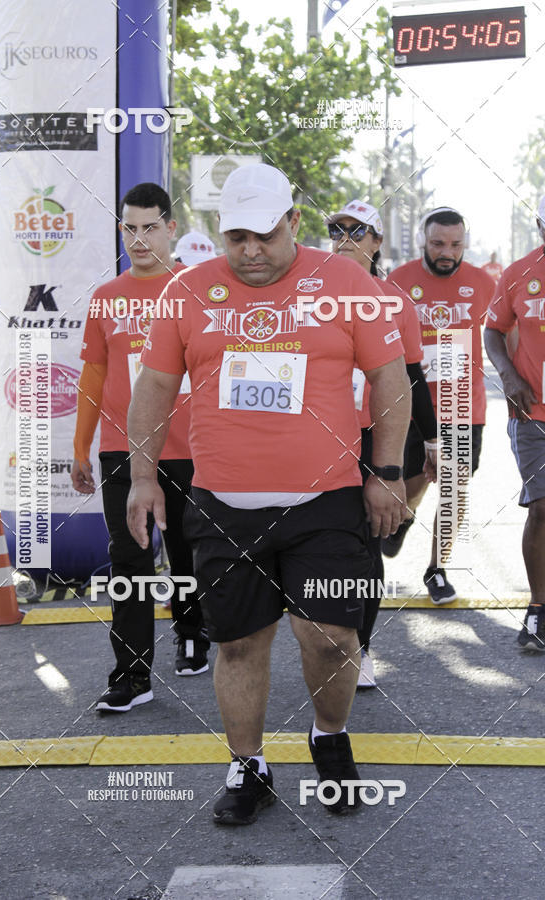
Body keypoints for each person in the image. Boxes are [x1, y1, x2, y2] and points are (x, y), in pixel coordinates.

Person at [126, 163, 411, 824]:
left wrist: (388, 471)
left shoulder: (347, 283)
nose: (251, 251)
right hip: (225, 507)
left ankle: (329, 736)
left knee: (332, 638)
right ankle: (248, 765)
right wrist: (142, 477)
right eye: (237, 238)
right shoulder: (186, 291)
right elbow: (154, 388)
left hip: (326, 501)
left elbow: (390, 379)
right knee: (238, 644)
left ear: (294, 222)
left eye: (264, 235)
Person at [71, 182, 209, 714]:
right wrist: (81, 448)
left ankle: (192, 633)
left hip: (189, 448)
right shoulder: (107, 297)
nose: (139, 238)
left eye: (150, 227)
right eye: (129, 228)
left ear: (171, 228)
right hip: (123, 449)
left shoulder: (197, 289)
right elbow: (93, 376)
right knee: (128, 561)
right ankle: (131, 675)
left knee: (187, 552)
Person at [326, 200, 437, 688]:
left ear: (376, 242)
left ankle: (361, 647)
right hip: (317, 435)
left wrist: (431, 438)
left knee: (365, 543)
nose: (346, 239)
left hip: (374, 437)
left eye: (358, 231)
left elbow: (412, 375)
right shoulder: (307, 292)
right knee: (322, 541)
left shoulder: (396, 301)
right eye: (338, 230)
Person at [385, 207, 495, 603]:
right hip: (414, 401)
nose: (446, 252)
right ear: (422, 241)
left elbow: (503, 330)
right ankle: (404, 516)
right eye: (437, 244)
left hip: (463, 401)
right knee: (415, 481)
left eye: (455, 244)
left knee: (454, 484)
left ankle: (437, 569)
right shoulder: (398, 282)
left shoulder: (483, 283)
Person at [484, 196, 545, 651]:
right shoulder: (520, 273)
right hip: (533, 412)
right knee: (542, 508)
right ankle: (538, 609)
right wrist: (508, 375)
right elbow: (493, 330)